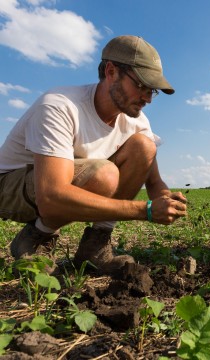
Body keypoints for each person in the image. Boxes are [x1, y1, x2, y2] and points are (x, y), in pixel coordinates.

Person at [0, 35, 187, 275]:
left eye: (153, 90)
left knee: (145, 147)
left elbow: (154, 181)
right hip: (9, 186)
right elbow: (51, 196)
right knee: (104, 175)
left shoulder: (137, 122)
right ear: (111, 72)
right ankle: (36, 238)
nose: (148, 98)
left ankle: (95, 247)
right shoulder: (60, 106)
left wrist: (167, 199)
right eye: (141, 85)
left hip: (53, 185)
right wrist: (146, 210)